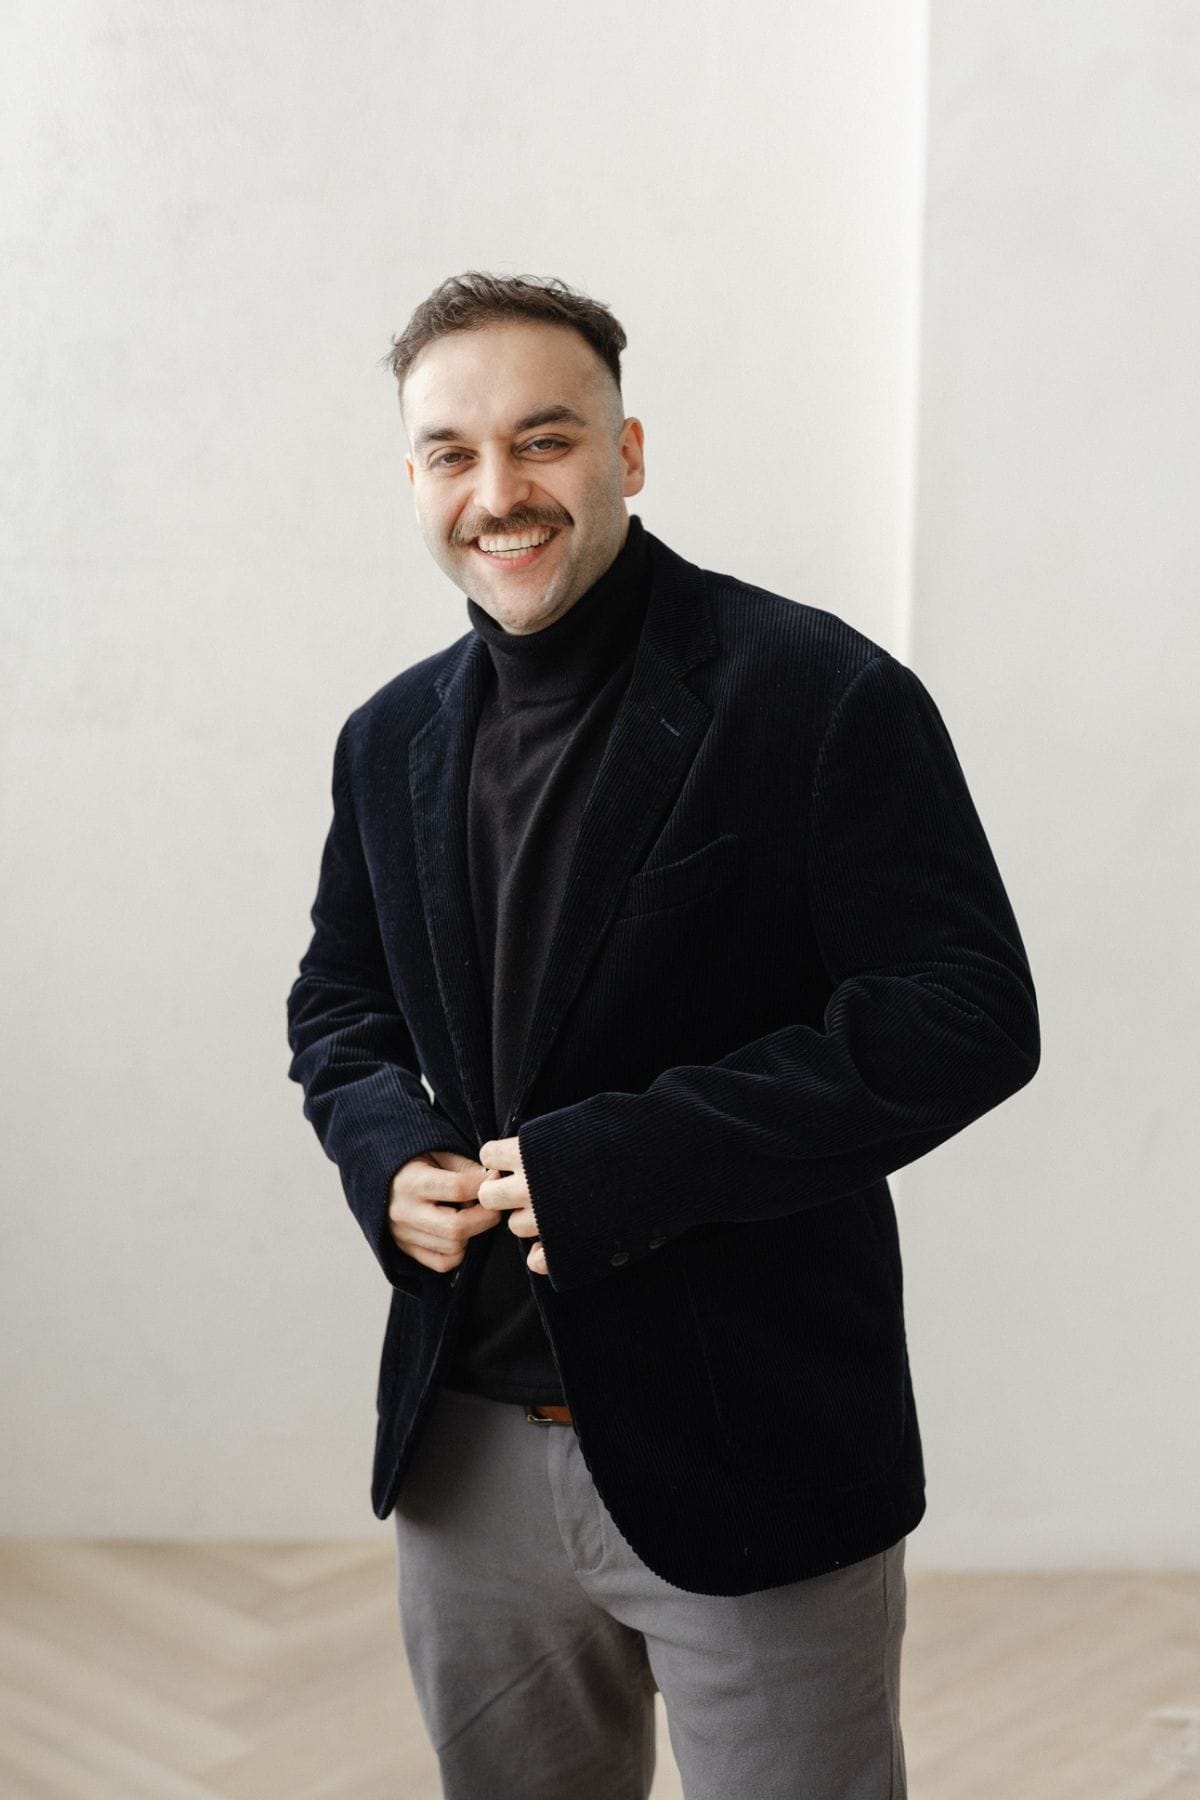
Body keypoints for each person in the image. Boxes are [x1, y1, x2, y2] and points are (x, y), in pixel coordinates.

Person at [286, 271, 1039, 1800]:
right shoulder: (387, 738)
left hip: (748, 1434)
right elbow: (340, 1002)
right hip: (467, 1450)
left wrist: (627, 1162)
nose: (499, 493)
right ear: (416, 478)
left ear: (628, 452)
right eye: (451, 452)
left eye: (544, 440)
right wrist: (384, 1149)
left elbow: (966, 1013)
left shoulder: (815, 691)